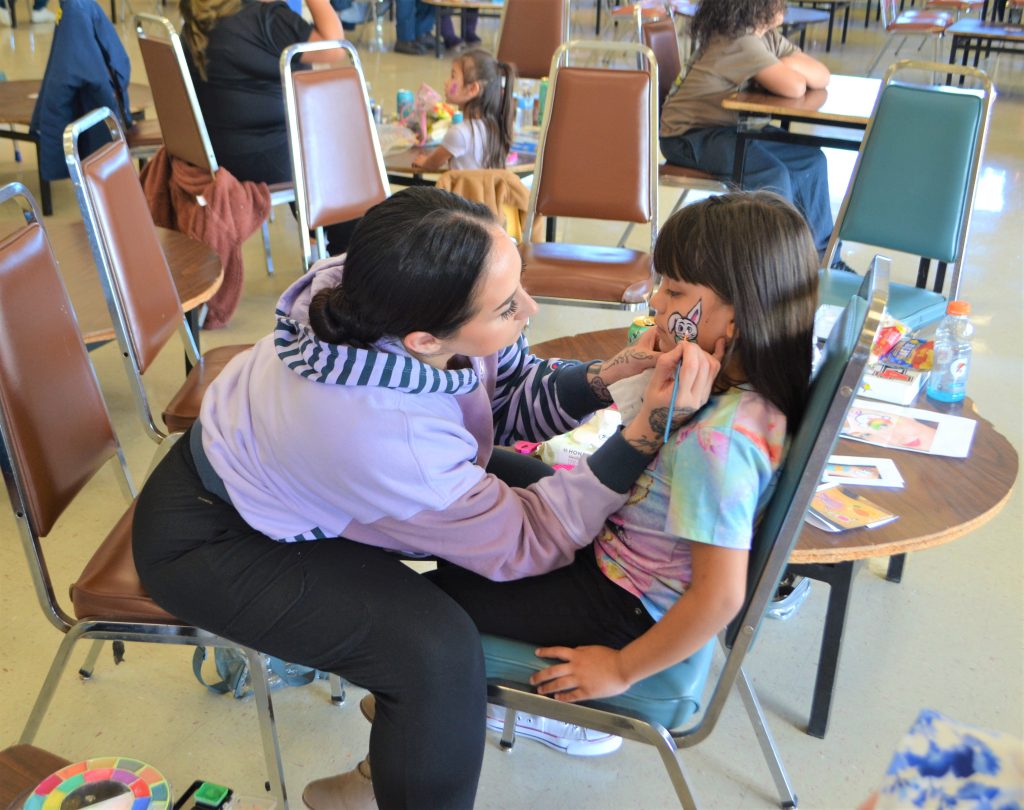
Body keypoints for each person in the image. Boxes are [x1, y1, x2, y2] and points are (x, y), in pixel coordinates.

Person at [132, 187, 722, 810]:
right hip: (210, 538)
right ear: (421, 340)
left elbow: (505, 388)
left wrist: (609, 376)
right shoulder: (382, 429)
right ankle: (393, 773)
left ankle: (401, 755)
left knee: (549, 492)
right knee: (433, 655)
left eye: (517, 281)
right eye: (505, 308)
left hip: (293, 473)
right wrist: (640, 434)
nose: (532, 309)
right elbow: (526, 542)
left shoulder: (377, 287)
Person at [415, 191, 819, 755]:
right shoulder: (742, 388)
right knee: (487, 483)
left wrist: (622, 669)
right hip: (618, 555)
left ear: (743, 312)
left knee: (424, 606)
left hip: (623, 606)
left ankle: (511, 714)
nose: (656, 300)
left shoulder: (718, 442)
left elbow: (721, 596)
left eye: (675, 291)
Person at [178, 0, 358, 253]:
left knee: (321, 153)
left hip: (216, 151)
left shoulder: (201, 14)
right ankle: (347, 262)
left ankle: (319, 232)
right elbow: (334, 47)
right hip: (264, 155)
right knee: (350, 168)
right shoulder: (267, 20)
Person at [658, 0, 834, 255]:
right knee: (772, 175)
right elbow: (795, 87)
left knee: (810, 159)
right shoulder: (738, 40)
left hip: (731, 129)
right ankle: (775, 261)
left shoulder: (765, 38)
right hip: (689, 137)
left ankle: (819, 256)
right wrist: (786, 66)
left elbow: (821, 75)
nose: (783, 4)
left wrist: (779, 63)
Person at [412, 48, 515, 171]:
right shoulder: (495, 127)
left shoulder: (460, 133)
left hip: (461, 191)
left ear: (472, 89)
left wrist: (425, 161)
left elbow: (432, 164)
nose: (446, 82)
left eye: (453, 76)